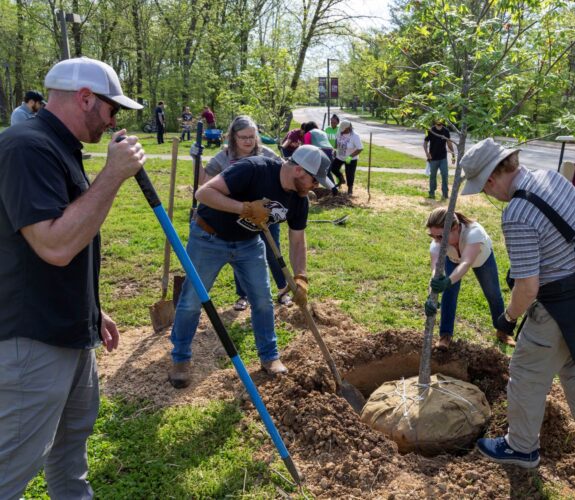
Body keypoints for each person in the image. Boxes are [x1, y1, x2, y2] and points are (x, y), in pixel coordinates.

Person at [0, 56, 145, 498]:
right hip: (34, 339)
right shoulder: (26, 146)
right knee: (11, 466)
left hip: (70, 329)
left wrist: (92, 310)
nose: (113, 120)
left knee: (70, 452)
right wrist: (113, 175)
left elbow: (72, 232)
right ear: (85, 98)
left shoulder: (58, 146)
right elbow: (55, 245)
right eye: (111, 109)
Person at [455, 138, 575, 481]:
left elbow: (527, 287)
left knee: (525, 376)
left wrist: (508, 317)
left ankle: (520, 447)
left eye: (484, 189)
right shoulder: (552, 177)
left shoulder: (517, 213)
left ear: (490, 179)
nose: (490, 196)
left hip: (558, 308)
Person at [168, 145, 335, 387]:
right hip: (209, 238)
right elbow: (203, 193)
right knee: (192, 300)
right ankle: (181, 359)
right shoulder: (253, 169)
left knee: (263, 300)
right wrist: (245, 208)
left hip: (248, 243)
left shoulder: (299, 200)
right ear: (299, 170)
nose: (316, 186)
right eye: (314, 180)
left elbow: (297, 239)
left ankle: (270, 357)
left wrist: (301, 277)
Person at [195, 115, 290, 311]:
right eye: (243, 137)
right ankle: (243, 295)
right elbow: (203, 182)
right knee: (240, 255)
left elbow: (285, 172)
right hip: (238, 216)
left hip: (265, 214)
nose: (248, 141)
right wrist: (196, 160)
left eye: (251, 137)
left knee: (273, 252)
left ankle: (283, 290)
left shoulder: (266, 153)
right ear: (233, 137)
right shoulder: (224, 157)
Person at [424, 207, 509, 350]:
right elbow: (435, 273)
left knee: (493, 293)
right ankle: (445, 335)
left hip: (481, 259)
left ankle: (503, 331)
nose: (437, 241)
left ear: (455, 228)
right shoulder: (436, 245)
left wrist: (449, 280)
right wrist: (431, 295)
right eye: (433, 236)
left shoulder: (474, 233)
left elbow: (466, 263)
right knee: (449, 293)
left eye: (440, 236)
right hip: (454, 260)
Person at [423, 120, 455, 200]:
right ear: (435, 120)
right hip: (432, 158)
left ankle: (445, 195)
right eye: (437, 119)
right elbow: (425, 143)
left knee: (445, 175)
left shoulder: (446, 131)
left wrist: (453, 155)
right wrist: (427, 153)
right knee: (433, 176)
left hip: (443, 158)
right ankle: (431, 194)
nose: (439, 121)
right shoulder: (430, 130)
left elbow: (449, 143)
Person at [331, 119, 363, 196]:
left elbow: (360, 148)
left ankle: (350, 190)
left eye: (343, 130)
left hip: (351, 158)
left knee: (350, 173)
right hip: (340, 156)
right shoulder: (340, 132)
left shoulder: (355, 136)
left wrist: (350, 157)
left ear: (348, 128)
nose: (341, 131)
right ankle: (341, 179)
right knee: (333, 168)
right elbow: (337, 140)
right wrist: (335, 149)